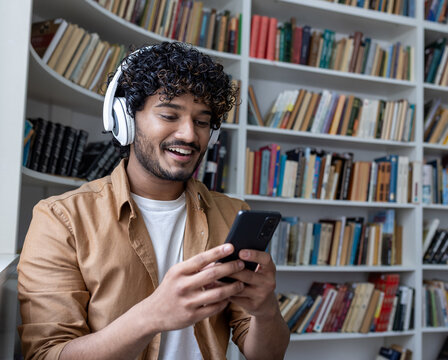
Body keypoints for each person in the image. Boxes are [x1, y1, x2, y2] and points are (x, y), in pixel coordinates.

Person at [17, 41, 290, 360]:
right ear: (125, 120)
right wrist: (151, 316)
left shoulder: (233, 213)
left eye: (202, 122)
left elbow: (267, 354)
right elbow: (47, 354)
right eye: (170, 115)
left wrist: (266, 310)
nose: (189, 134)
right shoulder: (60, 218)